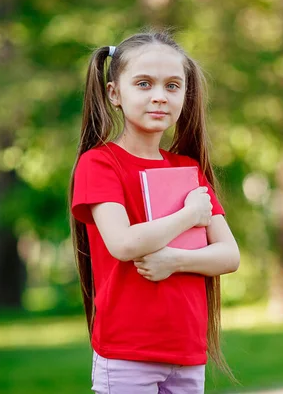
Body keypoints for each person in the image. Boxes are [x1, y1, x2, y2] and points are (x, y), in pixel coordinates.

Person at [68, 29, 240, 394]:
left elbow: (229, 255)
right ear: (114, 93)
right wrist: (189, 216)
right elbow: (124, 244)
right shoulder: (100, 164)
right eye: (144, 84)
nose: (159, 97)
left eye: (173, 86)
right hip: (127, 351)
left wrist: (174, 261)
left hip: (187, 350)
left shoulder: (188, 169)